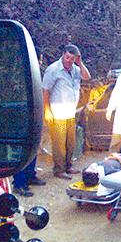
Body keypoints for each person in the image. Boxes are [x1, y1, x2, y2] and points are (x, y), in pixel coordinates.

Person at [42, 44, 91, 180]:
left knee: (71, 142)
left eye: (72, 58)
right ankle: (59, 169)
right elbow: (45, 90)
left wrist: (80, 63)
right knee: (59, 143)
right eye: (67, 57)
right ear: (63, 54)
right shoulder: (53, 69)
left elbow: (87, 77)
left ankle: (68, 166)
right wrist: (47, 110)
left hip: (70, 111)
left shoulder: (75, 69)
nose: (69, 60)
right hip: (57, 112)